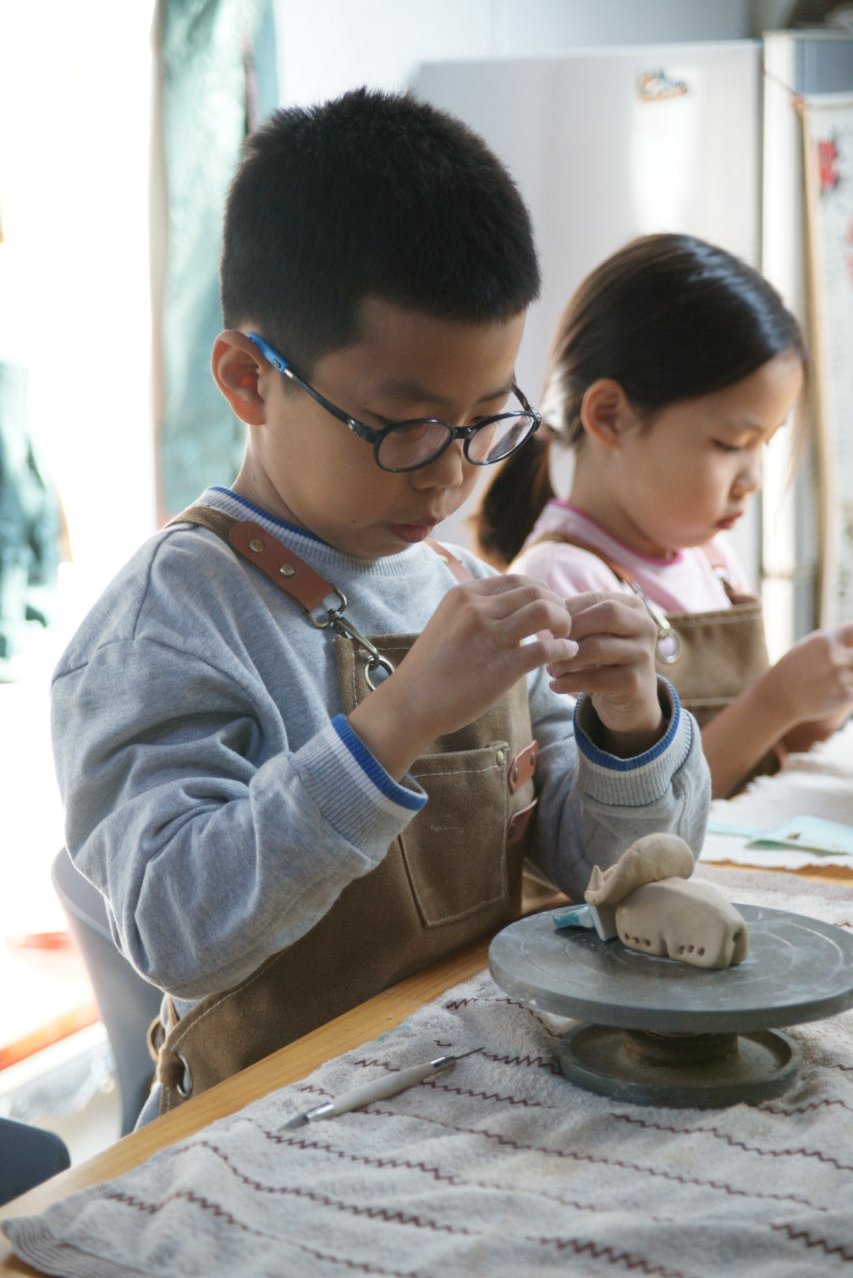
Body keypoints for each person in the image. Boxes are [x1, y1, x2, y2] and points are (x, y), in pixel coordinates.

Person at [50, 93, 709, 1125]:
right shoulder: (170, 620)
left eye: (486, 420)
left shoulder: (455, 582)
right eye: (402, 428)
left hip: (467, 1088)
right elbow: (177, 926)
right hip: (269, 1131)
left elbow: (599, 871)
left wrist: (629, 724)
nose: (449, 476)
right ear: (247, 379)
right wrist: (393, 722)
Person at [476, 232, 853, 799]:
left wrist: (817, 700)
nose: (752, 478)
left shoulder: (714, 561)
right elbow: (618, 813)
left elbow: (765, 754)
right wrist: (773, 701)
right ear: (610, 417)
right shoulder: (561, 585)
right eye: (730, 444)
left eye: (764, 444)